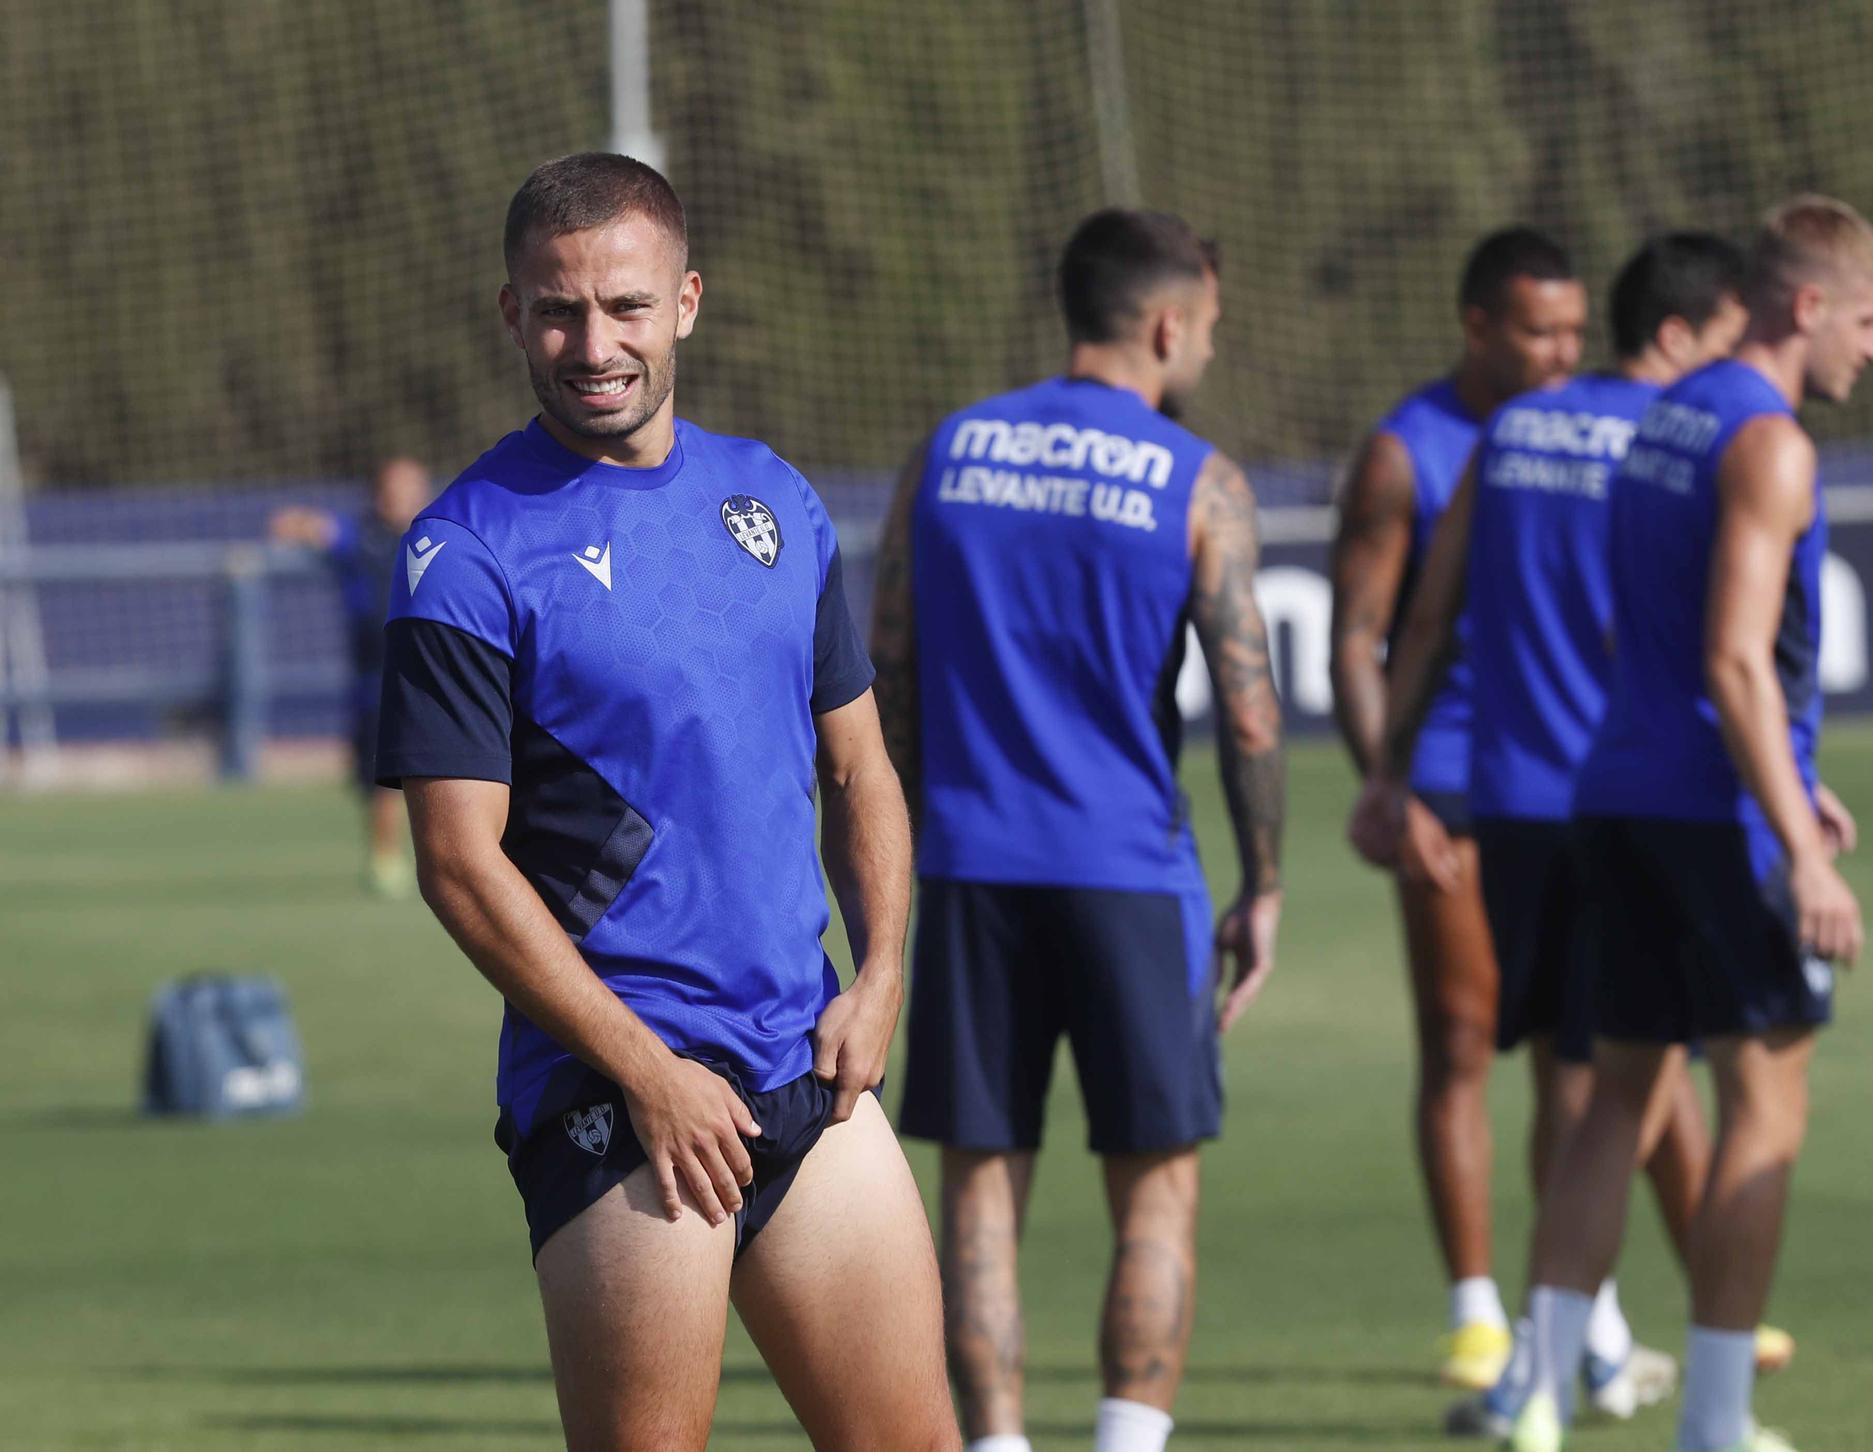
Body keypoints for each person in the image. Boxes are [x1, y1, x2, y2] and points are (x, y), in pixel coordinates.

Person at [373, 152, 958, 1451]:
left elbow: (862, 769)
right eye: (561, 309)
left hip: (802, 1070)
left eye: (626, 306)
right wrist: (647, 1072)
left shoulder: (774, 500)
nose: (596, 343)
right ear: (512, 313)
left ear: (685, 300)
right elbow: (458, 867)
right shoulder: (464, 552)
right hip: (616, 1099)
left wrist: (880, 978)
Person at [871, 208, 1284, 1452]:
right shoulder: (1194, 477)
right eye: (1205, 327)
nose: (1204, 349)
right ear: (1165, 322)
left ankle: (994, 1444)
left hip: (969, 867)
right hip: (1127, 874)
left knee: (979, 1188)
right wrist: (1261, 883)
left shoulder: (943, 453)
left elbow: (885, 670)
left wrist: (909, 844)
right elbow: (1250, 714)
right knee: (1153, 1190)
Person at [1496, 195, 1873, 1452]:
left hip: (1615, 794)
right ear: (1806, 304)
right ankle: (1716, 1424)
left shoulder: (1664, 414)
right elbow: (1732, 661)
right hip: (1710, 819)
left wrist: (1789, 771)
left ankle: (1539, 1404)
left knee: (1613, 1098)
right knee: (1763, 1110)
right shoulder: (1767, 440)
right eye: (1871, 322)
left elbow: (1655, 637)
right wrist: (1792, 842)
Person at [1350, 234, 1758, 1435]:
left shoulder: (1511, 434)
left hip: (1511, 807)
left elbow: (1423, 620)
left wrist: (1386, 774)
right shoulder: (1676, 442)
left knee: (1561, 1077)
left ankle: (1572, 1351)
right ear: (1681, 336)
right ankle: (1553, 1365)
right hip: (1629, 799)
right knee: (1613, 1086)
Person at [1330, 226, 1586, 1391]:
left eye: (1576, 331)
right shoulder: (1407, 451)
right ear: (1478, 326)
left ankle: (1584, 1310)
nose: (1561, 352)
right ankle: (1478, 1312)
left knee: (1595, 1057)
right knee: (1465, 1044)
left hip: (1575, 784)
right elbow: (1357, 638)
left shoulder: (1583, 433)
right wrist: (1389, 783)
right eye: (1539, 331)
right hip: (1448, 783)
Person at [268, 457, 430, 897]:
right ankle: (385, 857)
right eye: (391, 487)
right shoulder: (362, 538)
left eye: (408, 487)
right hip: (376, 678)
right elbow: (309, 526)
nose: (398, 496)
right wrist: (295, 524)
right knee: (380, 774)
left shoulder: (439, 535)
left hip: (432, 673)